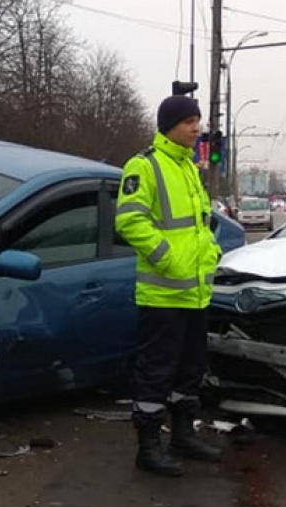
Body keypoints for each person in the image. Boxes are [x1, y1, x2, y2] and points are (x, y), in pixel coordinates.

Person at [114, 95, 223, 477]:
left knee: (191, 369)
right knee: (156, 372)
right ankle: (148, 448)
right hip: (162, 293)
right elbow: (129, 222)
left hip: (195, 292)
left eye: (197, 120)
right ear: (169, 125)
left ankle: (182, 435)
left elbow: (200, 225)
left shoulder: (190, 169)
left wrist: (211, 253)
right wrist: (169, 259)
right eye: (188, 121)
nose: (196, 127)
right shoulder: (144, 166)